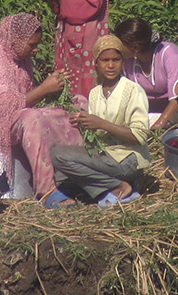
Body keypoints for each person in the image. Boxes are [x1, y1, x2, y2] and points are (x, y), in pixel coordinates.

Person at [0, 13, 82, 200]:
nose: (35, 50)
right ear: (16, 40)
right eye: (32, 45)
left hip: (16, 115)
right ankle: (46, 190)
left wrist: (54, 88)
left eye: (37, 45)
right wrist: (44, 89)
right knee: (31, 118)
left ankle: (81, 174)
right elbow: (4, 106)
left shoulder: (19, 55)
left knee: (78, 103)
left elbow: (27, 97)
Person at [47, 35, 151, 208]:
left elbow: (140, 135)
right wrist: (83, 122)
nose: (110, 65)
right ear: (96, 63)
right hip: (107, 156)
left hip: (128, 159)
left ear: (122, 61)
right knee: (61, 175)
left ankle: (117, 187)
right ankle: (114, 185)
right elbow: (95, 138)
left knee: (59, 156)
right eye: (105, 60)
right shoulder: (95, 93)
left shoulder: (133, 90)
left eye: (116, 60)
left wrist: (101, 123)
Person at [114, 17, 178, 129]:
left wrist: (158, 126)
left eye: (120, 44)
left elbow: (177, 98)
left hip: (177, 106)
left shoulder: (169, 54)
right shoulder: (127, 61)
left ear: (135, 47)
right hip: (150, 108)